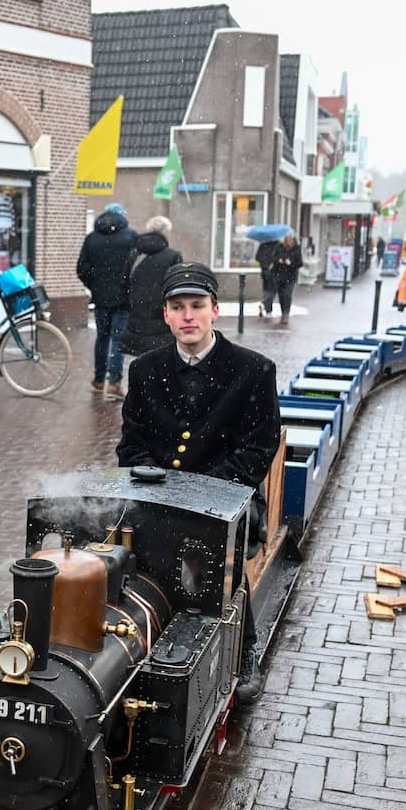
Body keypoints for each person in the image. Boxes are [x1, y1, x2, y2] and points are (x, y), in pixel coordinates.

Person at [116, 262, 278, 701]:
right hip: (155, 495)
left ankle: (244, 648)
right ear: (166, 315)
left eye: (197, 306)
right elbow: (131, 445)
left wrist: (201, 493)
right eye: (178, 307)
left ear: (215, 311)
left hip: (229, 500)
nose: (188, 316)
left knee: (215, 562)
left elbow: (257, 450)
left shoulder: (254, 370)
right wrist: (156, 484)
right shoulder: (145, 370)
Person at [77, 204, 136, 397]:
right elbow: (135, 267)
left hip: (101, 298)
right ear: (122, 216)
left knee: (102, 338)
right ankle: (114, 383)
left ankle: (98, 378)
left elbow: (81, 268)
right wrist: (127, 286)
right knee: (118, 339)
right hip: (122, 298)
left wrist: (94, 285)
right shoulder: (131, 237)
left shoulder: (92, 238)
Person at [122, 216, 183, 361]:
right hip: (162, 319)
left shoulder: (135, 254)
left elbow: (124, 282)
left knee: (142, 361)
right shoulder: (172, 256)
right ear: (166, 233)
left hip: (137, 317)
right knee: (163, 362)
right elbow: (177, 286)